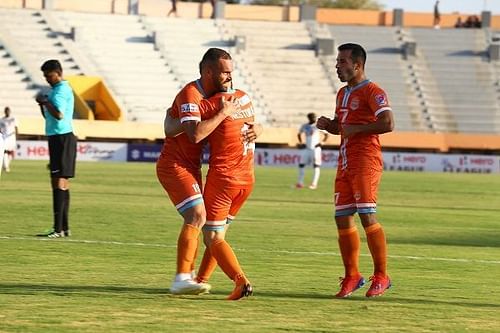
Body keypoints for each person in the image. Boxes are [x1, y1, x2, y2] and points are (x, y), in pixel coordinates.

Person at [156, 48, 240, 296]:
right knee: (197, 215)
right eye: (225, 72)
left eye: (231, 72)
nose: (230, 77)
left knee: (201, 222)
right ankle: (181, 277)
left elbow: (172, 126)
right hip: (174, 165)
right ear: (208, 71)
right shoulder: (191, 94)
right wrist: (223, 113)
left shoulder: (215, 94)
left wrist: (259, 128)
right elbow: (194, 135)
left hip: (192, 167)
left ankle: (188, 277)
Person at [316, 43, 394, 298]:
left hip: (366, 161)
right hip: (345, 161)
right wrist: (331, 125)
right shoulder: (342, 93)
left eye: (342, 62)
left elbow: (388, 123)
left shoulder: (373, 91)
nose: (337, 66)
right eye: (337, 62)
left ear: (357, 65)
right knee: (341, 217)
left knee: (367, 216)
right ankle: (352, 276)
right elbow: (343, 127)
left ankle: (382, 275)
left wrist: (356, 130)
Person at [192, 88, 262, 300]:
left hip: (224, 180)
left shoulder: (212, 104)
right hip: (246, 179)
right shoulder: (244, 97)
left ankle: (240, 281)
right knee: (218, 235)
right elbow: (251, 125)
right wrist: (259, 128)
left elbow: (194, 133)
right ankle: (200, 281)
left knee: (212, 236)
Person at [35, 59, 77, 239]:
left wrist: (45, 103)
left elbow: (58, 114)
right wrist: (43, 105)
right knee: (62, 182)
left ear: (58, 72)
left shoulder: (60, 90)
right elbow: (50, 116)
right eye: (45, 76)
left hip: (61, 137)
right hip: (59, 137)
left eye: (49, 75)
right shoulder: (58, 90)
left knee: (58, 182)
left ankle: (58, 229)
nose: (46, 79)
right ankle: (64, 228)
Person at [295, 112, 327, 190]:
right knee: (301, 165)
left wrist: (322, 143)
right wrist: (301, 142)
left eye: (315, 118)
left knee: (316, 166)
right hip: (307, 148)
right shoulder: (305, 126)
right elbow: (299, 134)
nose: (314, 119)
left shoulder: (318, 126)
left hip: (315, 149)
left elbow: (326, 135)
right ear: (309, 118)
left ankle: (314, 184)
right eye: (313, 118)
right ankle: (300, 183)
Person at [0, 106, 18, 173]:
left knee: (11, 152)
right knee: (5, 151)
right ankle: (6, 166)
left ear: (10, 111)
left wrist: (17, 136)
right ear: (4, 112)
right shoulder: (1, 120)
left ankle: (6, 165)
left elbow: (16, 128)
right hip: (4, 137)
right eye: (6, 111)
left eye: (8, 111)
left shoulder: (13, 119)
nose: (7, 112)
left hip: (12, 137)